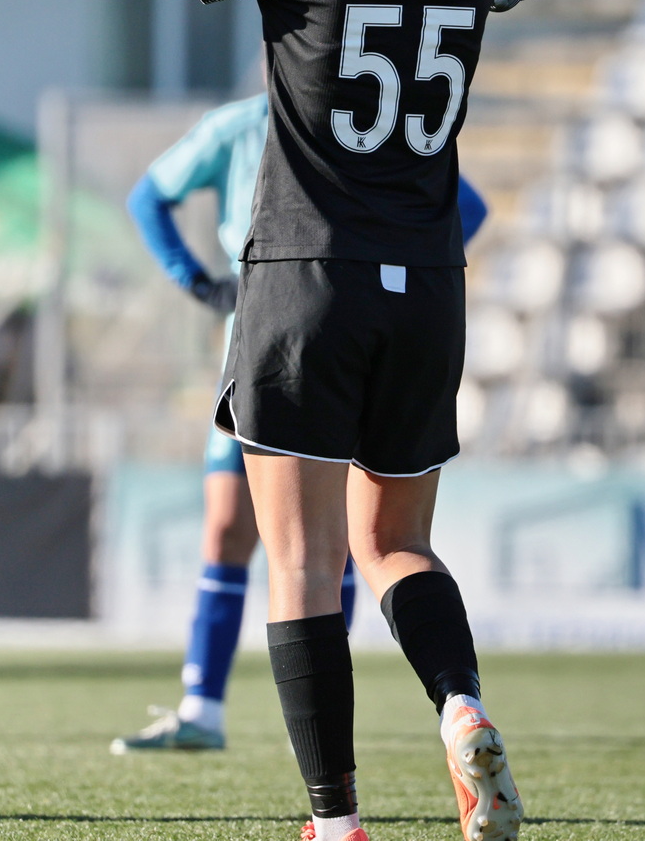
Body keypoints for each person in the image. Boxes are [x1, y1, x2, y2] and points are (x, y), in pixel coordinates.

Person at [87, 0, 548, 841]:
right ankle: (461, 703)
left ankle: (336, 823)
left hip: (307, 281)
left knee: (300, 562)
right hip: (426, 287)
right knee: (397, 546)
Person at [111, 87, 488, 753]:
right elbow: (149, 197)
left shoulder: (360, 114)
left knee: (328, 541)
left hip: (326, 331)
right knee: (233, 526)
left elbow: (470, 205)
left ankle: (320, 715)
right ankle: (203, 706)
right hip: (261, 336)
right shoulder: (237, 126)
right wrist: (196, 281)